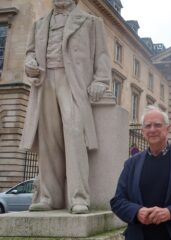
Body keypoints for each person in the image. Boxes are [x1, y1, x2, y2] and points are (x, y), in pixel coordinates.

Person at [19, 0, 110, 214]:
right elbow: (30, 52)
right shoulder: (39, 23)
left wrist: (101, 81)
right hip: (45, 81)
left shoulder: (91, 21)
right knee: (48, 140)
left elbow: (102, 55)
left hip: (74, 82)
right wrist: (29, 63)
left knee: (75, 133)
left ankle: (79, 197)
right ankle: (50, 198)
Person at [110, 106, 171, 240]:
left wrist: (170, 213)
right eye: (148, 126)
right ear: (143, 131)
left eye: (157, 125)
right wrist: (136, 212)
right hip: (140, 235)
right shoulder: (131, 163)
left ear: (167, 128)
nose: (152, 130)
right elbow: (118, 201)